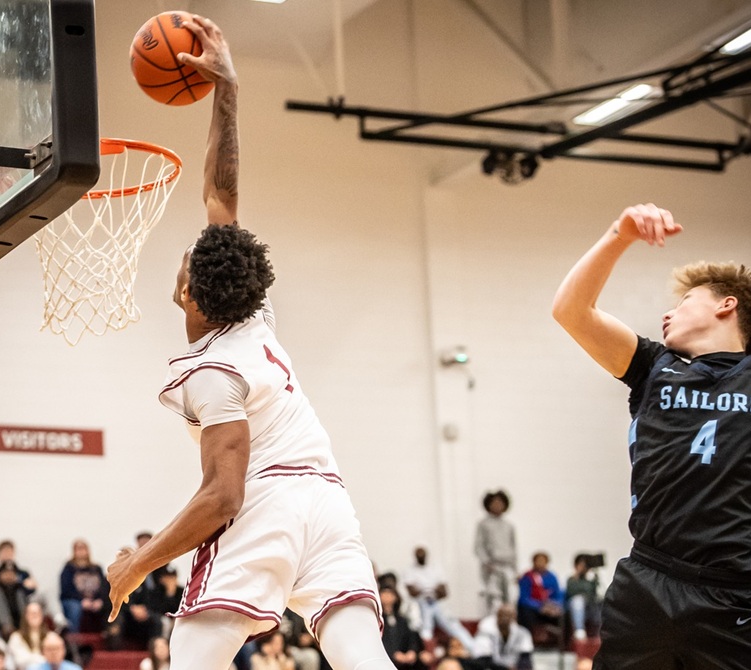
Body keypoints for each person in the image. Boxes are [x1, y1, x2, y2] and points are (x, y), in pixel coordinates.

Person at [104, 16, 394, 670]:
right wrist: (227, 89)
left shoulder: (213, 371)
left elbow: (224, 497)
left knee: (193, 651)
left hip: (267, 500)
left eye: (185, 261)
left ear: (190, 297)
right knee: (361, 655)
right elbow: (221, 192)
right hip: (327, 500)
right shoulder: (252, 309)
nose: (189, 253)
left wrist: (137, 565)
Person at [552, 203, 751, 668]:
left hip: (735, 594)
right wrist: (621, 234)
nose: (666, 313)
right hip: (647, 582)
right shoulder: (653, 369)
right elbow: (571, 311)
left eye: (683, 302)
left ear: (726, 304)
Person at [402, 547, 474, 651]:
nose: (421, 556)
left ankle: (472, 648)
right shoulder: (409, 570)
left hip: (437, 603)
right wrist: (430, 590)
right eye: (419, 554)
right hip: (421, 604)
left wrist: (425, 590)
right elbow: (412, 592)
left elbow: (444, 592)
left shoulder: (435, 568)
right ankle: (427, 649)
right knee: (425, 625)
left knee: (453, 626)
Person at [473, 490, 517, 616]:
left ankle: (508, 628)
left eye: (500, 503)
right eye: (494, 503)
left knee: (510, 598)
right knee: (494, 599)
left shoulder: (509, 526)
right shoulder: (483, 524)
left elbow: (514, 549)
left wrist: (515, 570)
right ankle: (493, 628)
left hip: (507, 566)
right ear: (488, 505)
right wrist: (486, 562)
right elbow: (478, 546)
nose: (497, 506)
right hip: (492, 567)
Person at [58, 540, 109, 633]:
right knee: (74, 608)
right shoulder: (69, 568)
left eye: (83, 549)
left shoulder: (97, 568)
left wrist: (99, 600)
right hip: (74, 600)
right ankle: (74, 639)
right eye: (78, 549)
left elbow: (103, 587)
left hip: (94, 600)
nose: (81, 552)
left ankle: (107, 634)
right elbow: (66, 589)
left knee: (109, 604)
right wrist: (81, 601)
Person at [472, 603, 534, 670]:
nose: (505, 618)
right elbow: (483, 660)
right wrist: (506, 668)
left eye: (509, 615)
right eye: (502, 614)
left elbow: (525, 658)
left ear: (514, 617)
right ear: (497, 615)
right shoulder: (485, 631)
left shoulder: (523, 633)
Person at [377, 586, 425, 670]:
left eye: (390, 594)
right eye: (384, 593)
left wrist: (412, 651)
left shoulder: (402, 620)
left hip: (405, 660)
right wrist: (393, 654)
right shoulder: (377, 620)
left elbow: (411, 637)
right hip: (385, 659)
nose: (387, 596)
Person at [516, 552, 563, 632]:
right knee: (525, 611)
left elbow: (557, 594)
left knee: (563, 614)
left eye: (543, 561)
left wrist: (554, 606)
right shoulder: (527, 577)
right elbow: (524, 599)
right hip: (534, 609)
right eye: (538, 561)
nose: (541, 563)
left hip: (550, 608)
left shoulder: (552, 577)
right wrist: (540, 607)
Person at [564, 554, 601, 641]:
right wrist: (577, 573)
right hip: (576, 608)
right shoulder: (571, 579)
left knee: (602, 601)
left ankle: (602, 631)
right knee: (578, 600)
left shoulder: (591, 580)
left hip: (591, 607)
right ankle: (579, 630)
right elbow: (571, 592)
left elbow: (595, 594)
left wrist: (594, 578)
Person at [6, 602, 48, 670]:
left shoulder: (51, 637)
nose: (35, 615)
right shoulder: (16, 637)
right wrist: (45, 660)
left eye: (37, 613)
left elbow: (55, 660)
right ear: (25, 616)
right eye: (32, 613)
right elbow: (21, 661)